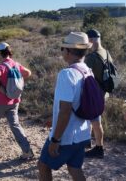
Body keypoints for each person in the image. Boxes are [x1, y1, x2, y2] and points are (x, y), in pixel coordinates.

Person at [38, 32, 92, 181]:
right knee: (75, 168)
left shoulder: (67, 74)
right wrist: (53, 117)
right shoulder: (87, 71)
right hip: (83, 133)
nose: (62, 51)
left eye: (63, 48)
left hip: (67, 136)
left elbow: (65, 111)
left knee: (43, 166)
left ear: (68, 51)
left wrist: (55, 140)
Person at [0, 42, 34, 160]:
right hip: (14, 101)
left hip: (0, 102)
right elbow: (28, 73)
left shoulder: (1, 66)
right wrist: (15, 84)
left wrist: (1, 89)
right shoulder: (15, 64)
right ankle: (27, 151)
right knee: (15, 125)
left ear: (0, 53)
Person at [84, 29, 114, 159]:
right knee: (92, 119)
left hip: (95, 95)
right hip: (104, 93)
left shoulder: (91, 57)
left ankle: (99, 148)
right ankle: (87, 141)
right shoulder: (106, 53)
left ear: (90, 40)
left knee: (96, 122)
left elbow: (81, 75)